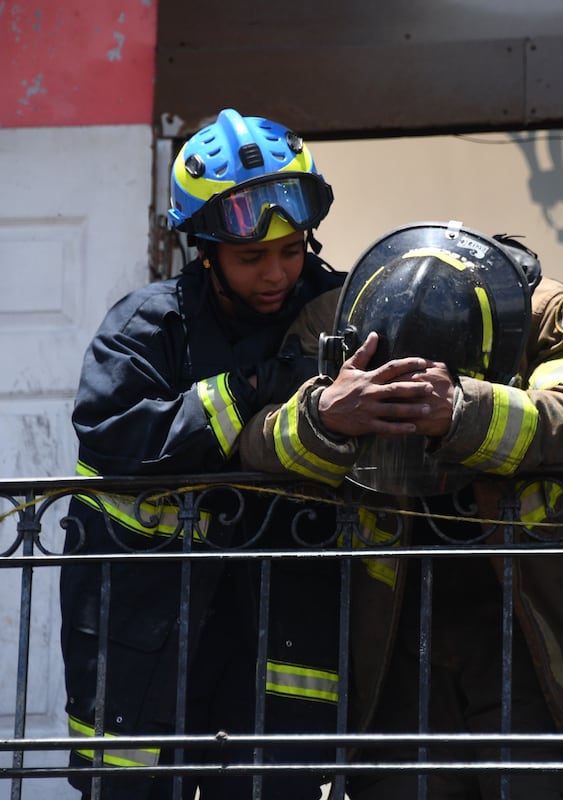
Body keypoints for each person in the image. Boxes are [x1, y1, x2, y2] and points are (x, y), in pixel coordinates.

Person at [238, 220, 563, 799]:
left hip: (523, 620)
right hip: (393, 632)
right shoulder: (336, 316)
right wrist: (324, 415)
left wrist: (464, 411)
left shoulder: (540, 310)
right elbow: (253, 437)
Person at [58, 108, 346, 799]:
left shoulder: (342, 313)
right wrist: (253, 388)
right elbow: (115, 436)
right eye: (251, 258)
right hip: (149, 629)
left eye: (292, 250)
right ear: (206, 250)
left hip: (282, 630)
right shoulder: (148, 325)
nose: (277, 273)